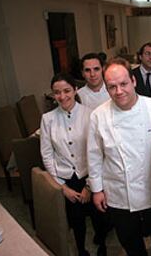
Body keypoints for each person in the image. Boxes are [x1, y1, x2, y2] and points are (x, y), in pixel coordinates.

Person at [87, 58, 151, 256]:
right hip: (119, 193)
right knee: (131, 243)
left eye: (123, 84)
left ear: (133, 81)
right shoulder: (98, 116)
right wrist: (97, 189)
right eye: (112, 87)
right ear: (106, 89)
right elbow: (94, 156)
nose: (119, 91)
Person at [40, 73, 107, 256]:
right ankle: (81, 250)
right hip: (66, 180)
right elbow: (47, 154)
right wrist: (62, 187)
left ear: (75, 90)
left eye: (67, 91)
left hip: (90, 177)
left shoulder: (90, 114)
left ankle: (102, 247)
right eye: (57, 92)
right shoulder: (48, 119)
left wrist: (90, 185)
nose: (62, 96)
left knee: (99, 218)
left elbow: (99, 152)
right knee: (76, 221)